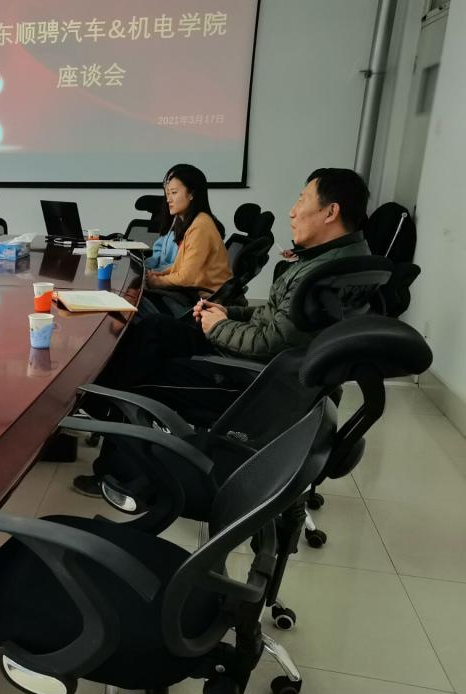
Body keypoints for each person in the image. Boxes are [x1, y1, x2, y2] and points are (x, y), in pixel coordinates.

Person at [73, 167, 372, 496]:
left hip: (253, 378)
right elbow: (276, 318)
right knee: (153, 330)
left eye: (302, 200)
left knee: (140, 369)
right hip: (262, 365)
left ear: (331, 212)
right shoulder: (343, 260)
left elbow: (269, 342)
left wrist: (218, 327)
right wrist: (229, 313)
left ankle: (117, 468)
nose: (293, 211)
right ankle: (99, 402)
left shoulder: (320, 275)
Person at [144, 164, 230, 301]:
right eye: (168, 194)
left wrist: (157, 282)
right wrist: (160, 274)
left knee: (138, 300)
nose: (168, 199)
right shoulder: (193, 223)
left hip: (205, 299)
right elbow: (184, 266)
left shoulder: (200, 226)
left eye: (174, 193)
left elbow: (186, 278)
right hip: (194, 294)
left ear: (191, 194)